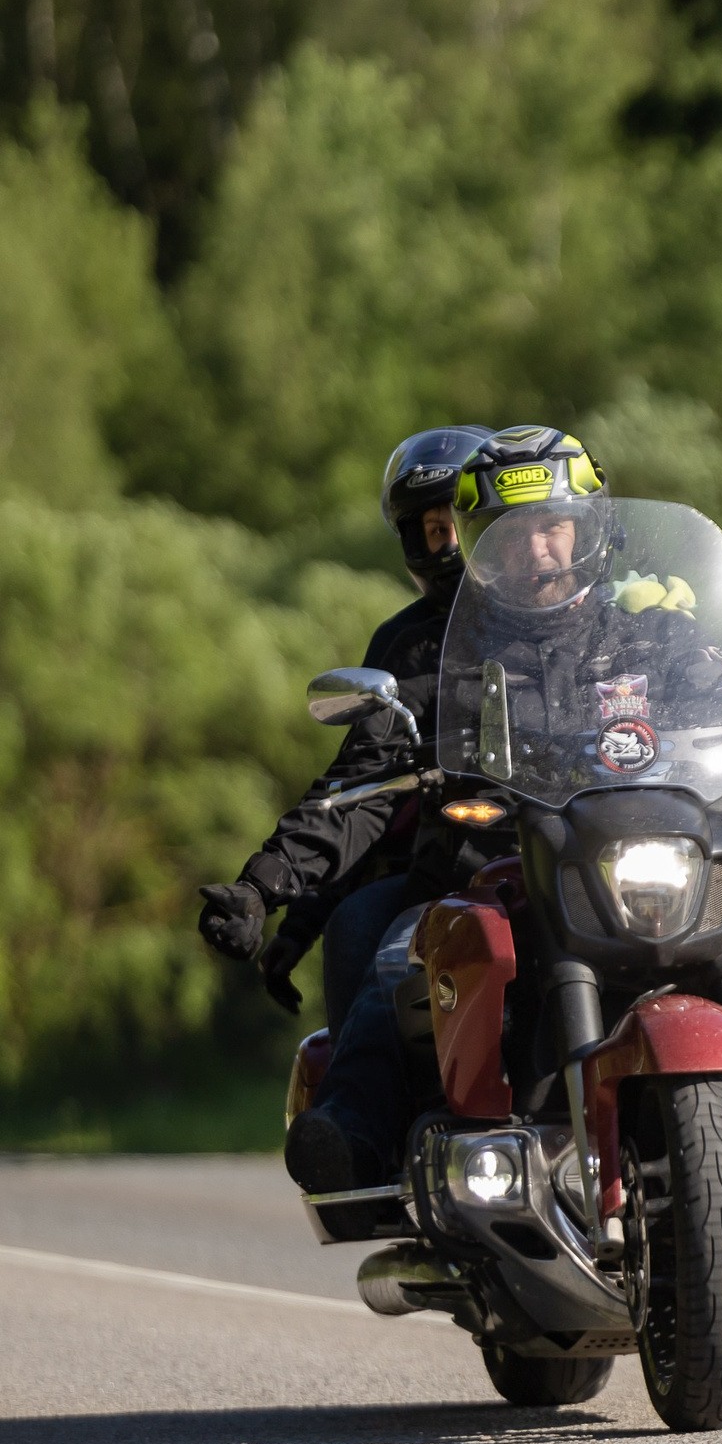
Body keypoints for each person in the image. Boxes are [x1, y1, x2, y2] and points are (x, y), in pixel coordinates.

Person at [255, 424, 722, 1201]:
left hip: (631, 857)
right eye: (515, 534)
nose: (538, 549)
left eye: (555, 526)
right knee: (399, 955)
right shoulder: (448, 651)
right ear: (482, 544)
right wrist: (369, 805)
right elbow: (380, 760)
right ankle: (354, 1138)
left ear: (593, 530)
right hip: (500, 870)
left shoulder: (649, 631)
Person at [195, 423, 499, 1067]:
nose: (452, 547)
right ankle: (359, 1135)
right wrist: (268, 892)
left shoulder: (604, 619)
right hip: (462, 874)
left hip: (595, 861)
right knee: (374, 944)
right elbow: (362, 792)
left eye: (463, 525)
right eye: (435, 531)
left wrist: (679, 637)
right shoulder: (410, 648)